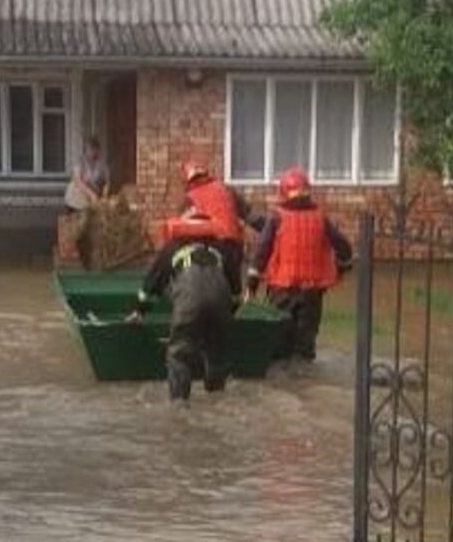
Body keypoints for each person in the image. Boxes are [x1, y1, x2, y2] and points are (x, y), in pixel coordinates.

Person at [129, 209, 242, 401]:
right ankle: (216, 398)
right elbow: (236, 292)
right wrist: (228, 315)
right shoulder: (223, 249)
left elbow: (151, 287)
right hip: (220, 305)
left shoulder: (172, 248)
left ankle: (179, 406)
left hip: (189, 304)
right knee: (216, 353)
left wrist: (139, 312)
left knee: (179, 354)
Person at [248, 167, 353, 361]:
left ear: (283, 192)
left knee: (278, 343)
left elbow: (261, 251)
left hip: (282, 290)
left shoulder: (277, 217)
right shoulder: (321, 217)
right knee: (305, 345)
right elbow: (344, 247)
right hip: (312, 293)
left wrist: (251, 284)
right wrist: (343, 267)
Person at [178, 160, 262, 272]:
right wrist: (272, 230)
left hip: (208, 249)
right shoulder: (226, 190)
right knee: (233, 286)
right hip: (233, 247)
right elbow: (251, 217)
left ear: (187, 180)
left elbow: (182, 228)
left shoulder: (190, 198)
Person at [64, 136, 109, 213]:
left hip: (90, 201)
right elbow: (78, 181)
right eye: (91, 149)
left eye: (95, 149)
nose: (93, 152)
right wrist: (91, 194)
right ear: (86, 150)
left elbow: (106, 181)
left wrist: (105, 195)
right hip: (75, 200)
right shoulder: (79, 162)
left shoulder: (101, 164)